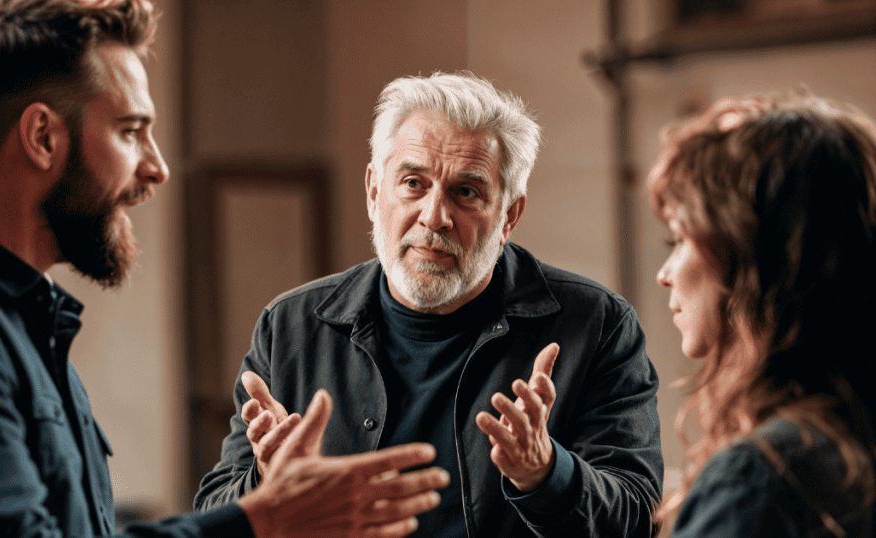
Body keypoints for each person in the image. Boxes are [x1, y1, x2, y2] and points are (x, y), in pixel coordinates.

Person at [0, 1, 451, 537]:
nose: (157, 168)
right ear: (41, 136)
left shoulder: (7, 316)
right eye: (131, 130)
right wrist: (264, 520)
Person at [194, 72, 664, 537]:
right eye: (413, 183)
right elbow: (212, 513)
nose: (435, 217)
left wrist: (544, 473)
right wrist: (267, 483)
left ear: (509, 215)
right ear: (375, 191)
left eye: (466, 192)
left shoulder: (598, 325)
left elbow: (637, 518)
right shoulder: (290, 326)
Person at [649, 93, 876, 536]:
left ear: (750, 255)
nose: (664, 274)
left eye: (678, 240)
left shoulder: (762, 477)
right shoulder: (851, 443)